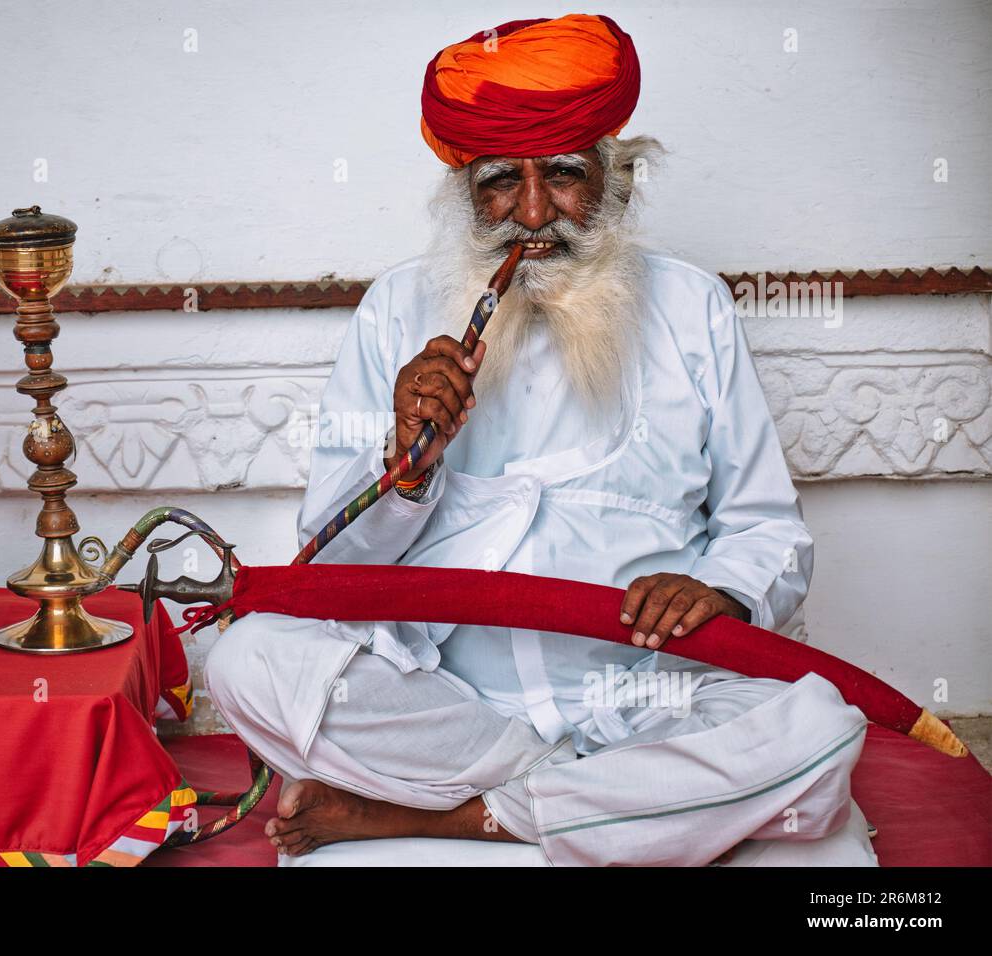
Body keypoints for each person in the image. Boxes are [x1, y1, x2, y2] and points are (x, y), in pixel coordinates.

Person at [205, 13, 874, 866]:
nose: (531, 212)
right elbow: (329, 573)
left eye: (562, 176)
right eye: (497, 183)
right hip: (451, 708)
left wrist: (721, 592)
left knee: (817, 731)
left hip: (651, 697)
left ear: (614, 182)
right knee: (250, 656)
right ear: (464, 197)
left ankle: (438, 818)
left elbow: (767, 533)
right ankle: (600, 798)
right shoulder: (397, 310)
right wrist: (407, 467)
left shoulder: (692, 307)